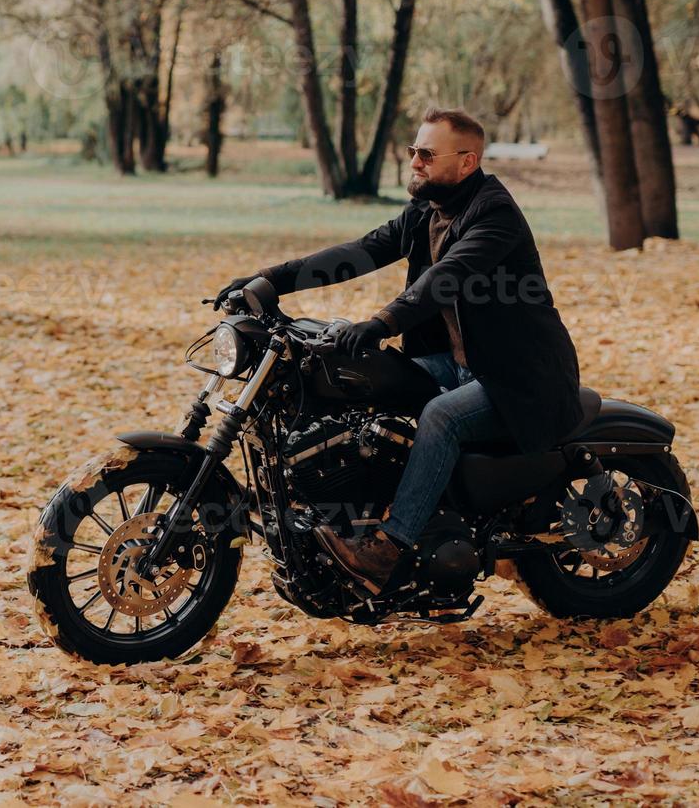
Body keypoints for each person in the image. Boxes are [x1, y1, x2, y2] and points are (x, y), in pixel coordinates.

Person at [214, 107, 582, 591]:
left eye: (427, 154)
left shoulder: (495, 214)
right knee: (359, 382)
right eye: (414, 151)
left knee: (442, 418)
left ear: (467, 162)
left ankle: (389, 547)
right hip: (458, 365)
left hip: (516, 377)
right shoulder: (428, 210)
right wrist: (271, 279)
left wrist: (382, 322)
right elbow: (358, 252)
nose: (416, 161)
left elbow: (445, 279)